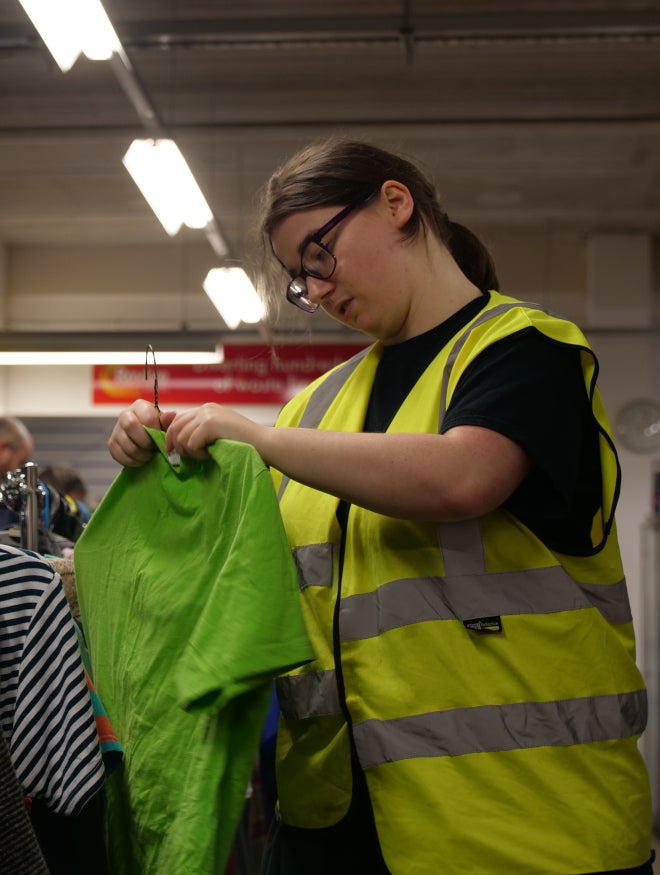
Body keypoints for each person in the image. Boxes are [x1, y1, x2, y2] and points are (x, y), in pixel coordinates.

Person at [107, 138, 653, 875]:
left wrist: (259, 438)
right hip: (338, 823)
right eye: (302, 280)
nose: (320, 291)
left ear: (396, 204)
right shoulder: (314, 408)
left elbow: (463, 476)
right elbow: (235, 567)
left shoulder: (524, 352)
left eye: (318, 255)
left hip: (528, 824)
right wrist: (159, 458)